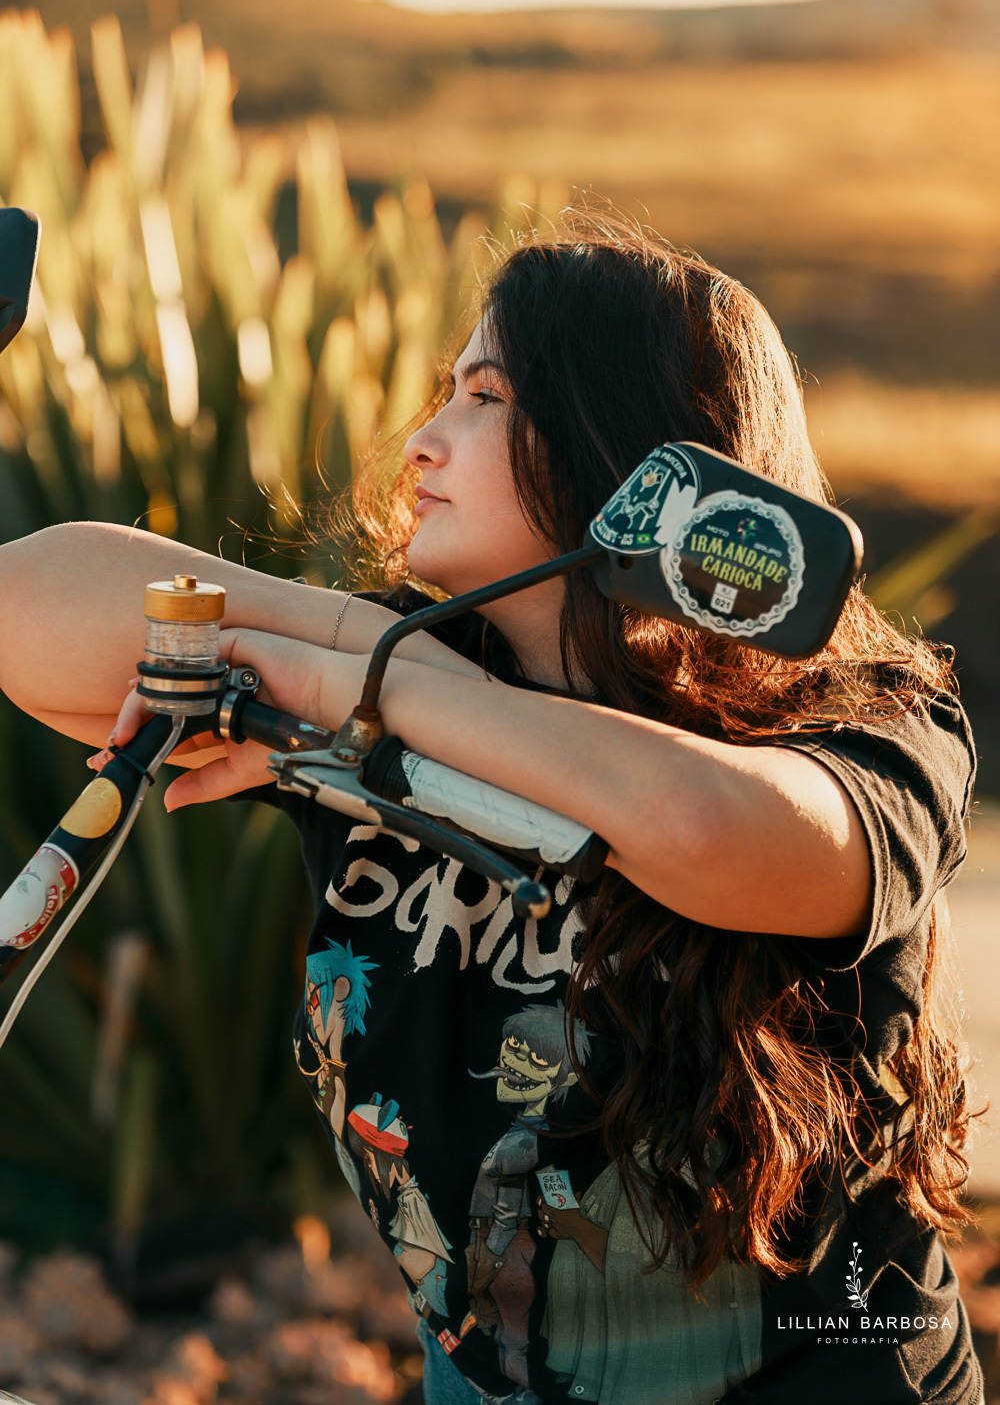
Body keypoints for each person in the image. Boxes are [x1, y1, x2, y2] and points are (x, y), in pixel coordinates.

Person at [0, 210, 983, 1404]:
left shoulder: (869, 727)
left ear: (627, 444)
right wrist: (371, 655)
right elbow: (31, 611)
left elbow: (714, 832)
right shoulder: (393, 687)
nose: (421, 440)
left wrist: (370, 687)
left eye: (485, 395)